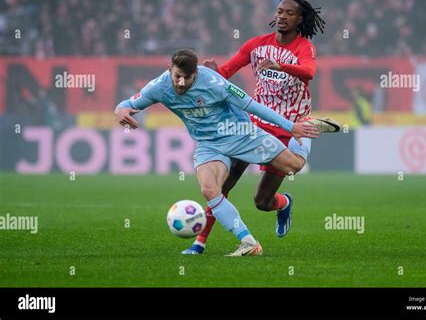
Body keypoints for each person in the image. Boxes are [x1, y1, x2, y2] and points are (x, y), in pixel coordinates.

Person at [115, 49, 324, 256]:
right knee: (210, 189)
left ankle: (287, 193)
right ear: (169, 70)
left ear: (196, 73)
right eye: (177, 76)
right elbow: (127, 104)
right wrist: (120, 110)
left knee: (294, 166)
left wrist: (291, 127)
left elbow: (252, 106)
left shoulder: (215, 83)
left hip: (242, 134)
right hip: (209, 144)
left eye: (187, 78)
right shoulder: (158, 87)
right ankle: (249, 242)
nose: (181, 83)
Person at [183, 0, 339, 255]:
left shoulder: (304, 48)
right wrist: (210, 72)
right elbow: (226, 73)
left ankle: (283, 203)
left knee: (262, 201)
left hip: (290, 126)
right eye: (279, 11)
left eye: (289, 13)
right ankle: (199, 244)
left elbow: (309, 72)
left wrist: (282, 65)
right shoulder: (256, 45)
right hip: (253, 124)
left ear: (300, 19)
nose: (282, 16)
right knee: (222, 185)